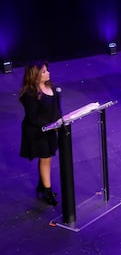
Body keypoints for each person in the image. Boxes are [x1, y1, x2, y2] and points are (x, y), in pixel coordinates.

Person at [19, 61, 62, 206]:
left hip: (50, 128)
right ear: (35, 75)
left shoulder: (52, 88)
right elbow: (33, 117)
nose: (48, 73)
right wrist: (50, 125)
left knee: (48, 158)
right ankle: (47, 192)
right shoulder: (29, 94)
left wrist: (59, 122)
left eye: (47, 70)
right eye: (44, 71)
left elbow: (56, 109)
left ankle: (42, 185)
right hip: (37, 131)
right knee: (45, 158)